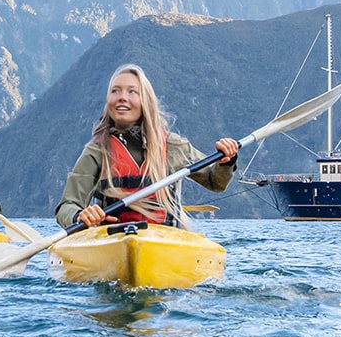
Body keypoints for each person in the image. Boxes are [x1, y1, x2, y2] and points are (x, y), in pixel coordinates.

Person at [54, 65, 239, 229]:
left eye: (132, 92)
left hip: (165, 240)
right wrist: (79, 215)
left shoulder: (173, 145)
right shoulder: (97, 151)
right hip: (112, 239)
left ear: (145, 100)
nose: (122, 98)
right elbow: (67, 205)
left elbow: (216, 182)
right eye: (115, 91)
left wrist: (226, 161)